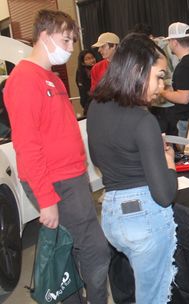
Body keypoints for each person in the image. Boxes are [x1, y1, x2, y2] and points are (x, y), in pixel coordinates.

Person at [3, 9, 110, 303]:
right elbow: (27, 146)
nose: (70, 47)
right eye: (65, 39)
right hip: (58, 182)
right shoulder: (24, 79)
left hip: (73, 178)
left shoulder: (52, 78)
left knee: (73, 249)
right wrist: (46, 200)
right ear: (45, 35)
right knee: (95, 250)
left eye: (72, 40)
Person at [87, 33, 178, 304]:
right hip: (145, 221)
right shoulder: (143, 120)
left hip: (112, 216)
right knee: (153, 298)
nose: (161, 87)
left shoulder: (95, 106)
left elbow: (97, 159)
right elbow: (164, 195)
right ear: (138, 70)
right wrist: (169, 162)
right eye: (159, 76)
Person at [131, 23, 180, 135]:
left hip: (171, 103)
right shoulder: (142, 54)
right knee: (159, 137)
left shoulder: (167, 48)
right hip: (154, 104)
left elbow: (178, 75)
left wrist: (162, 84)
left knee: (175, 136)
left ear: (151, 37)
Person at [75, 49, 96, 115]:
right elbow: (84, 91)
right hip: (89, 104)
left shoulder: (99, 68)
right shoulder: (80, 73)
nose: (92, 60)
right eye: (88, 59)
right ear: (82, 62)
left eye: (92, 57)